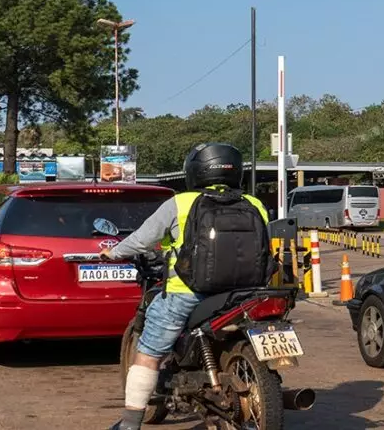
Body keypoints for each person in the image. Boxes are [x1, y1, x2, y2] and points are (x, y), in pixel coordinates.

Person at [101, 143, 270, 430]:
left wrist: (114, 253)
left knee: (148, 353)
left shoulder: (180, 203)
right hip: (244, 294)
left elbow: (142, 240)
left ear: (196, 171)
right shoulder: (255, 204)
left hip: (187, 293)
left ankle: (129, 423)